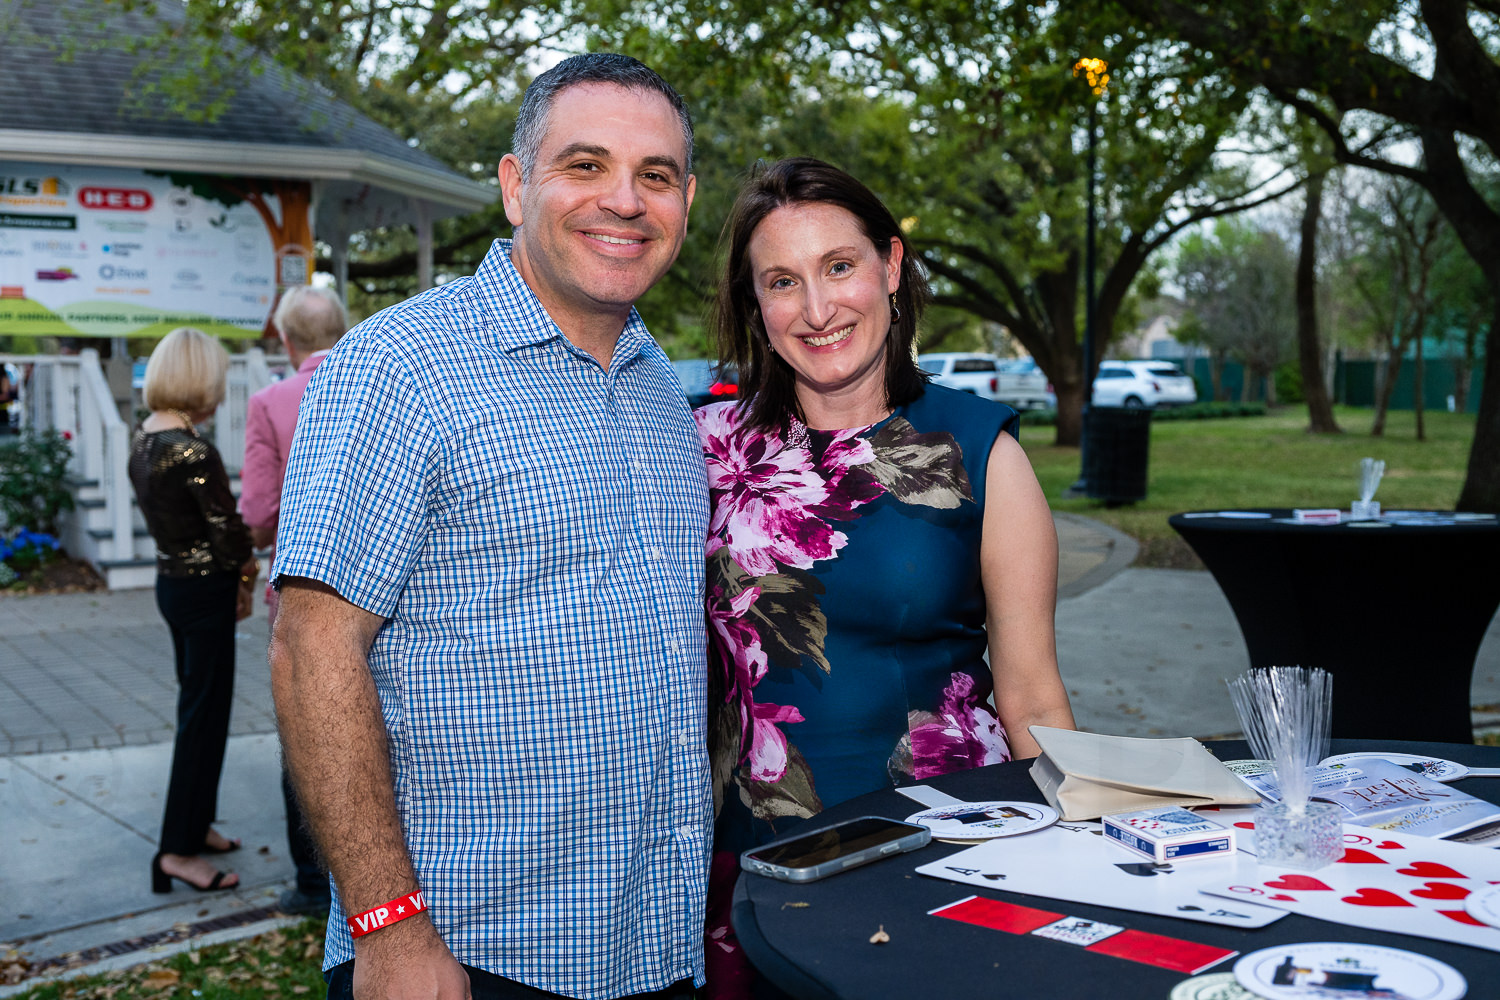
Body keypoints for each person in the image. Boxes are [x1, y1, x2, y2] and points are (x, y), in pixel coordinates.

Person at [269, 53, 709, 1000]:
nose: (624, 201)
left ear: (686, 201)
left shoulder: (663, 395)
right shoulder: (401, 367)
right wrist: (387, 925)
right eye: (584, 166)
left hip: (651, 941)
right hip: (468, 954)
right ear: (517, 187)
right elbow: (311, 650)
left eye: (656, 175)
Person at [696, 157, 1077, 995]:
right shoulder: (701, 449)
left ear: (891, 268)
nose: (820, 308)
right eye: (782, 282)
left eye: (840, 266)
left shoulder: (982, 451)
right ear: (756, 305)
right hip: (743, 864)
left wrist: (1080, 865)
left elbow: (1034, 699)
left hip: (941, 853)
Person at [127, 326, 259, 894]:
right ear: (199, 380)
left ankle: (194, 825)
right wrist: (248, 573)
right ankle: (176, 852)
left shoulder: (143, 441)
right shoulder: (191, 449)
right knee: (203, 722)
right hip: (205, 593)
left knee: (198, 713)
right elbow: (227, 532)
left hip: (171, 586)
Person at [240, 284, 349, 916]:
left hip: (306, 592)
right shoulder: (387, 386)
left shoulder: (271, 402)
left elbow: (257, 511)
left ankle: (314, 884)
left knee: (309, 725)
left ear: (285, 339)